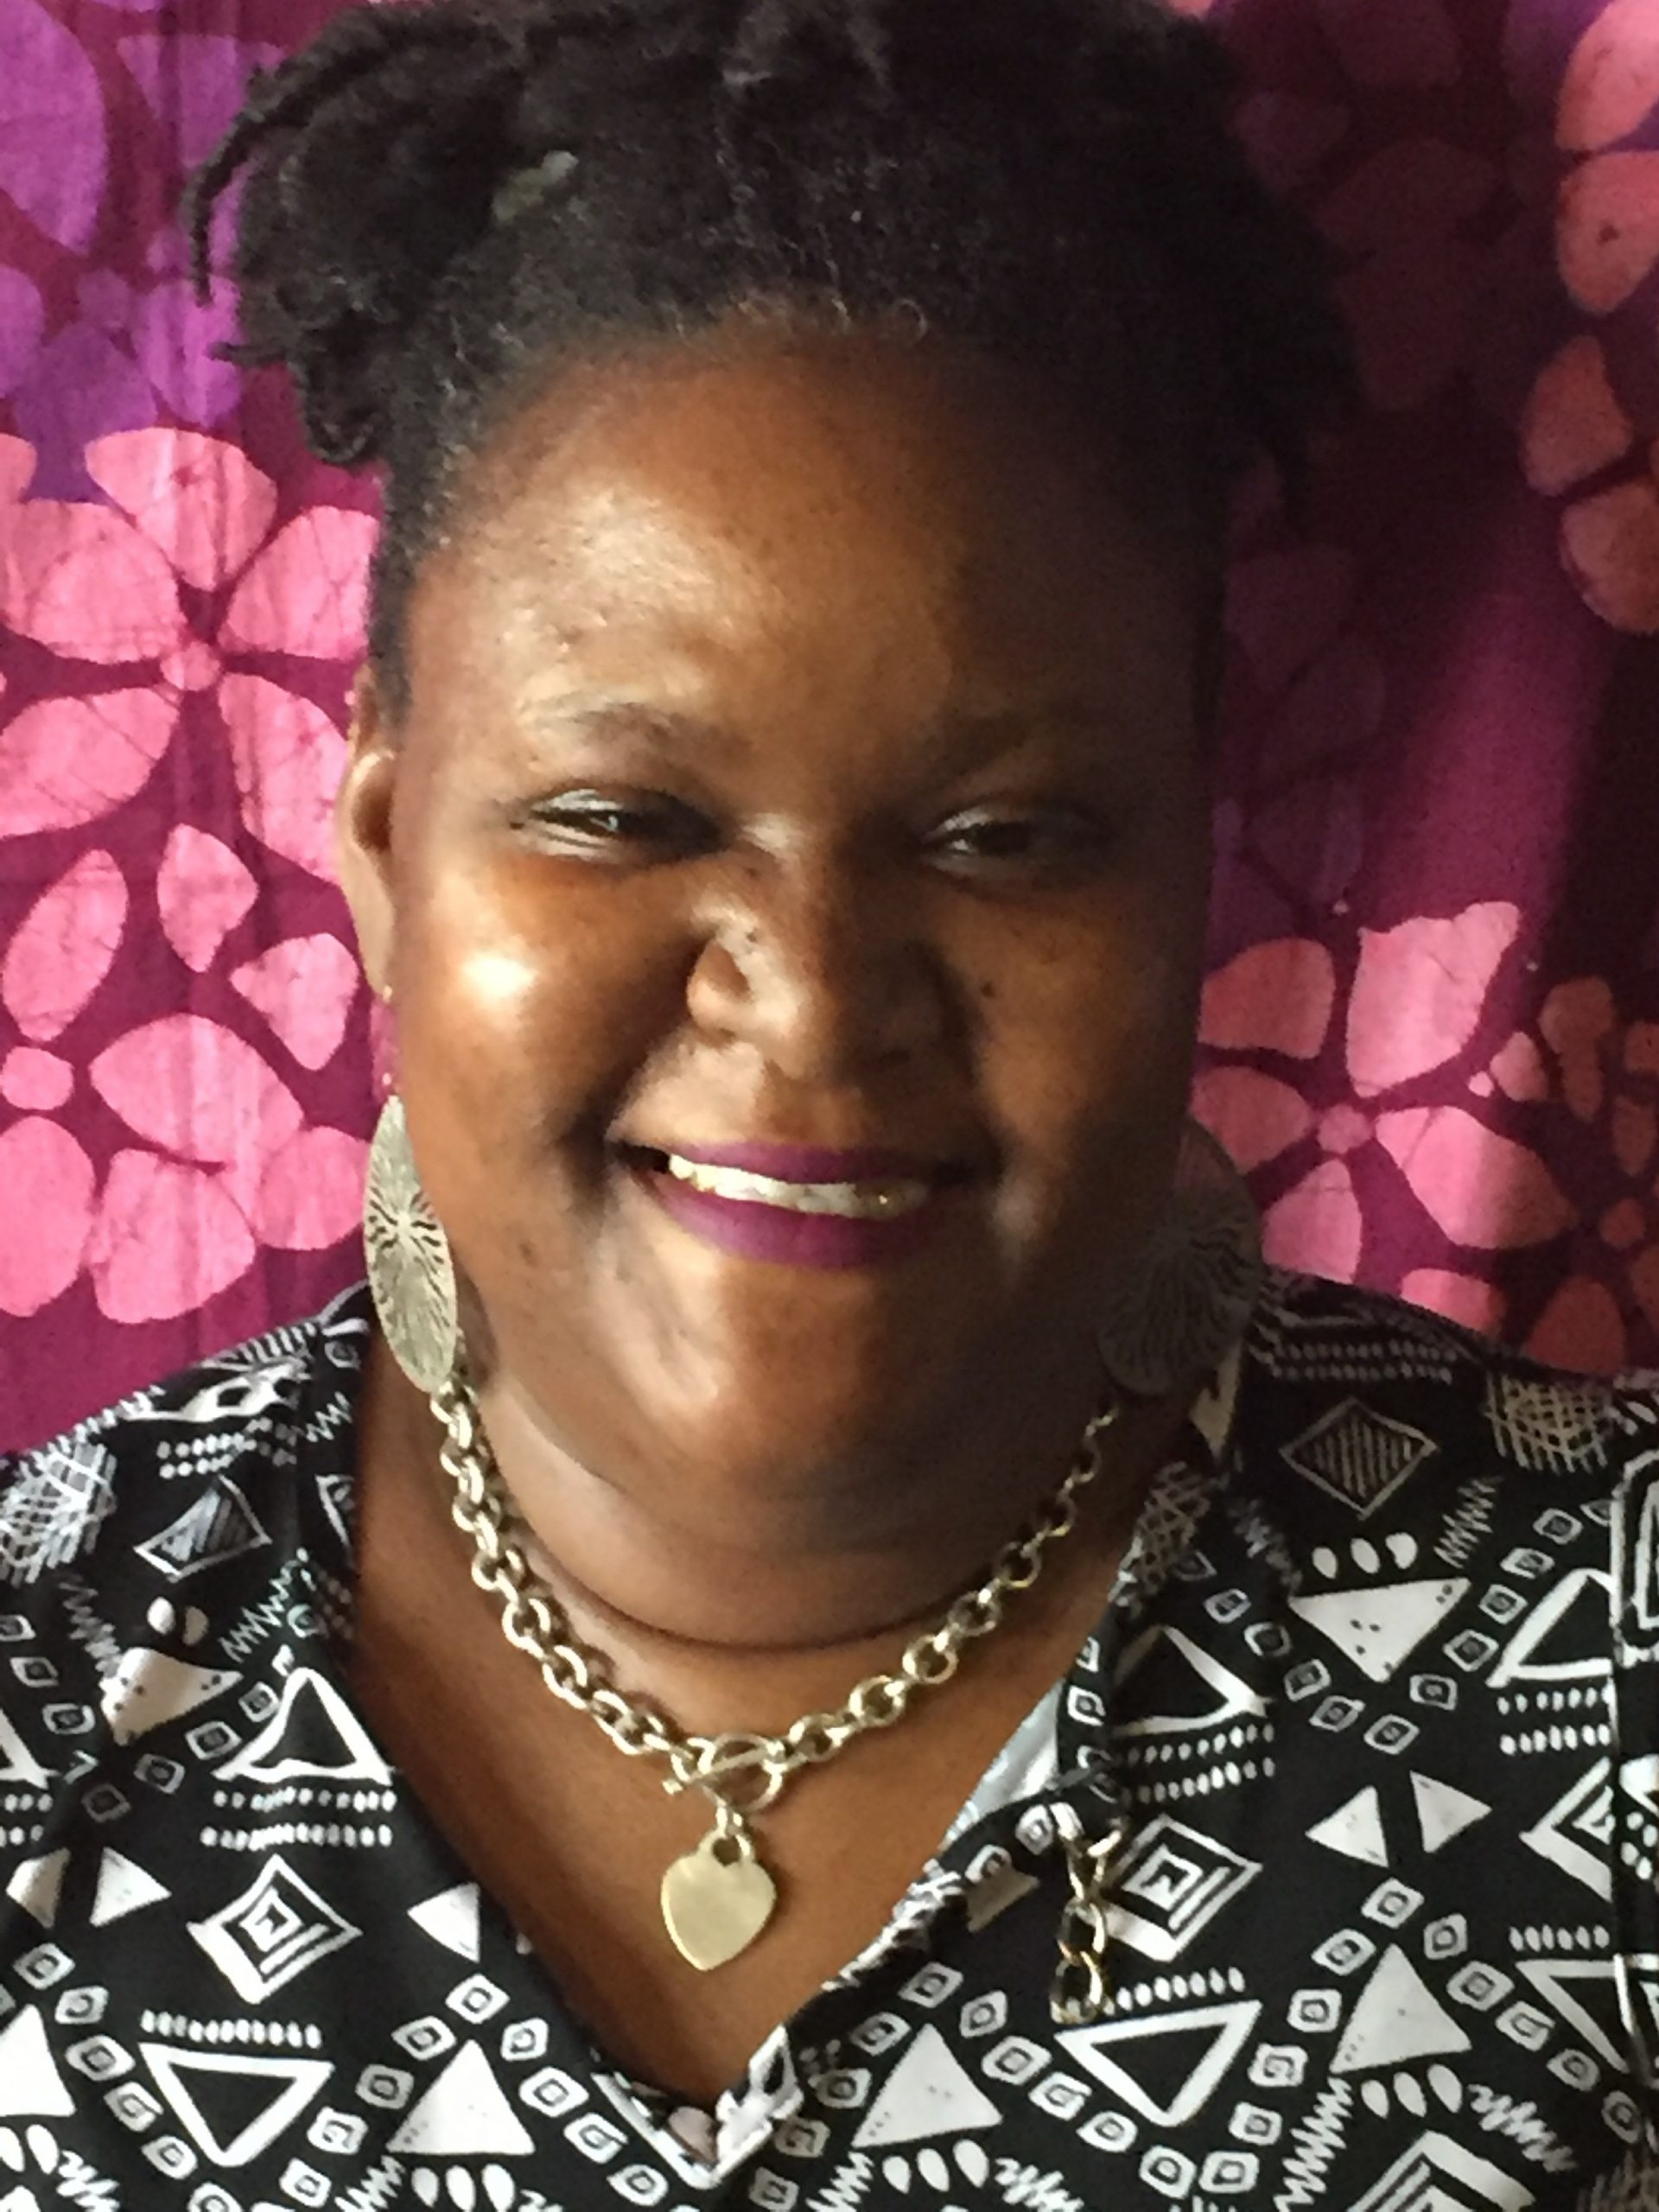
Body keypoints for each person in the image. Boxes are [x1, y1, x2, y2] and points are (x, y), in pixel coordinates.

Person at [1, 0, 1656, 2203]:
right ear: (385, 841)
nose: (810, 1004)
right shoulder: (46, 1681)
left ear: (1188, 858)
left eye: (1003, 836)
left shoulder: (1610, 1635)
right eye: (622, 815)